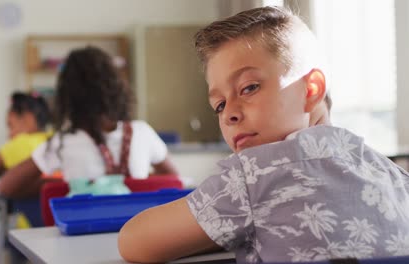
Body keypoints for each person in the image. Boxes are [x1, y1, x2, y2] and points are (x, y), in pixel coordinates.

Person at [118, 6, 409, 263]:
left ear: (311, 89)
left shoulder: (255, 174)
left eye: (249, 88)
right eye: (218, 105)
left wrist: (213, 230)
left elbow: (134, 242)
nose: (229, 113)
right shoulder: (392, 174)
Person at [0, 46, 178, 198]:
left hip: (82, 237)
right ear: (118, 88)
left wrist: (58, 184)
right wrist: (140, 180)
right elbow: (173, 180)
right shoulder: (142, 132)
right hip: (138, 236)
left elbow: (6, 187)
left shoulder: (63, 142)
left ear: (67, 96)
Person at [0, 91, 52, 176]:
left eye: (11, 126)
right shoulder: (53, 137)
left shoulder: (24, 142)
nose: (9, 135)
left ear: (28, 119)